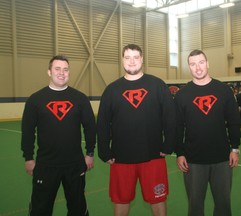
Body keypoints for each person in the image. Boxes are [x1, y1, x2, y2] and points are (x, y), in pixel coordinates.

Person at [97, 44, 176, 216]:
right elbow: (103, 123)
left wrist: (168, 144)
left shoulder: (157, 85)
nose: (131, 61)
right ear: (122, 60)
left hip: (153, 155)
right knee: (120, 200)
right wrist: (104, 150)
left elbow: (170, 117)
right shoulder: (112, 89)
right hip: (121, 157)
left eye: (135, 57)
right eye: (127, 57)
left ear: (142, 59)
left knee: (158, 199)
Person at [21, 55, 96, 216]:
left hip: (74, 165)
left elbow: (90, 128)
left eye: (65, 69)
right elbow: (27, 131)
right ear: (49, 72)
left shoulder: (80, 99)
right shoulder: (35, 100)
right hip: (46, 165)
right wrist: (28, 157)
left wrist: (90, 153)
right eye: (57, 69)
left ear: (69, 72)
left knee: (78, 209)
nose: (61, 73)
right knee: (40, 210)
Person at [174, 49, 241, 216]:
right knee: (195, 206)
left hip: (222, 159)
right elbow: (177, 126)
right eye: (193, 64)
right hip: (193, 160)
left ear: (208, 63)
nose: (198, 68)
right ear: (189, 67)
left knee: (223, 204)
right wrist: (179, 153)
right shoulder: (182, 95)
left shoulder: (223, 90)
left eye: (201, 62)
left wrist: (235, 148)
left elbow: (234, 121)